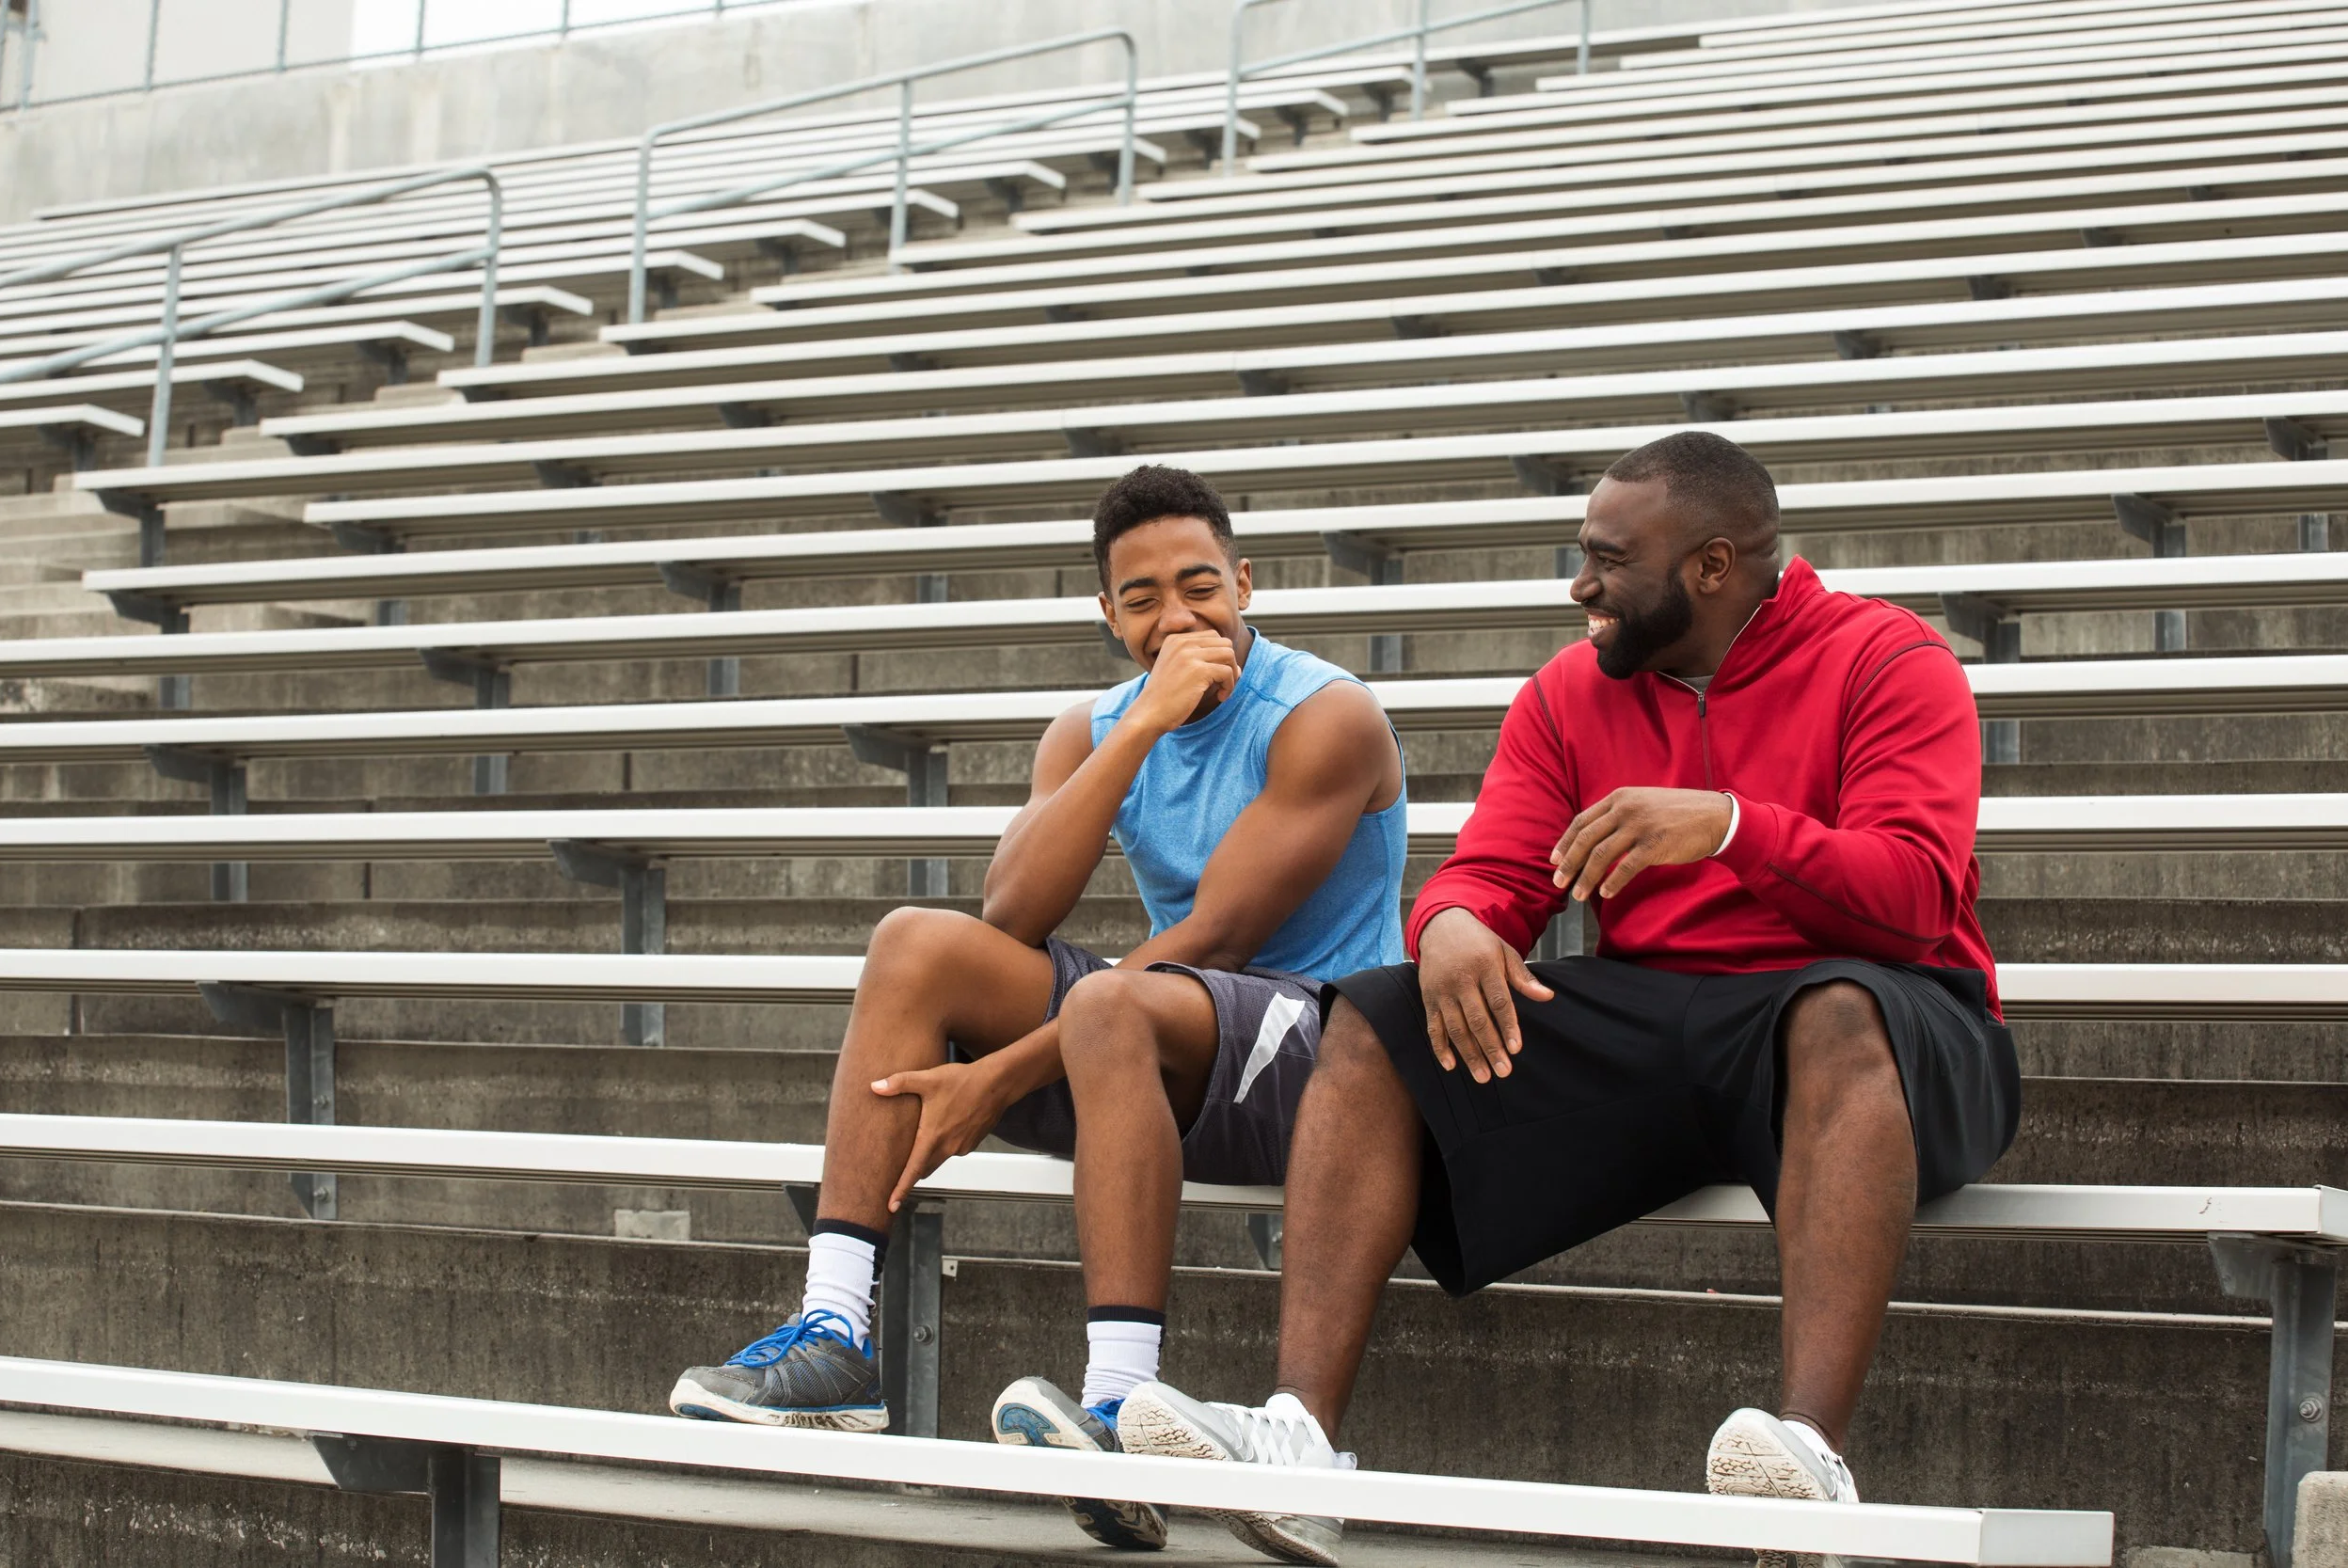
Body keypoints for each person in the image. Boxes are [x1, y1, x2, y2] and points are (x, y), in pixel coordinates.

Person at [1117, 429, 2022, 1567]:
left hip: (1895, 1014)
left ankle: (1809, 1463)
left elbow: (1914, 894)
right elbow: (1489, 874)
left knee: (1835, 1008)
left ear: (1711, 564)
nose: (1580, 583)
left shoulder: (1888, 658)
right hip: (1665, 1011)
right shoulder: (1567, 690)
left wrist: (1731, 825)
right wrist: (1448, 928)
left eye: (1606, 559)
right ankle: (1297, 1443)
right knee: (1376, 1013)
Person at [668, 463, 1410, 1553]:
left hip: (1328, 1053)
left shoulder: (1325, 714)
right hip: (1164, 1031)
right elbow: (1011, 907)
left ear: (1246, 582)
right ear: (1108, 615)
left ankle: (1117, 1403)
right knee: (914, 946)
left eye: (1200, 585)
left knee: (1114, 999)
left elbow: (1219, 939)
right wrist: (1137, 729)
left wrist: (1005, 1071)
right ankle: (835, 1334)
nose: (1177, 615)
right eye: (1143, 597)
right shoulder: (1097, 725)